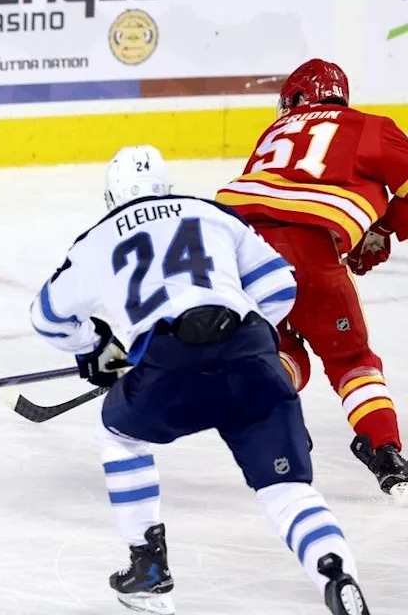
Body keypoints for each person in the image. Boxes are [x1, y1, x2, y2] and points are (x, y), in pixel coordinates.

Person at [30, 145, 370, 615]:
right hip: (253, 358)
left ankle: (148, 566)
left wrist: (96, 347)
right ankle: (335, 573)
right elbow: (279, 287)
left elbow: (47, 317)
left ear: (111, 196)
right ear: (165, 187)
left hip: (172, 365)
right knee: (287, 489)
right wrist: (242, 336)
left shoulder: (96, 240)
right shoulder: (213, 214)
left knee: (118, 433)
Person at [217, 59, 408, 499]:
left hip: (241, 251)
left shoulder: (272, 134)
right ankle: (384, 448)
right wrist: (385, 223)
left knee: (278, 349)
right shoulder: (368, 126)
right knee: (351, 360)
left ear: (297, 99)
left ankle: (277, 418)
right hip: (312, 254)